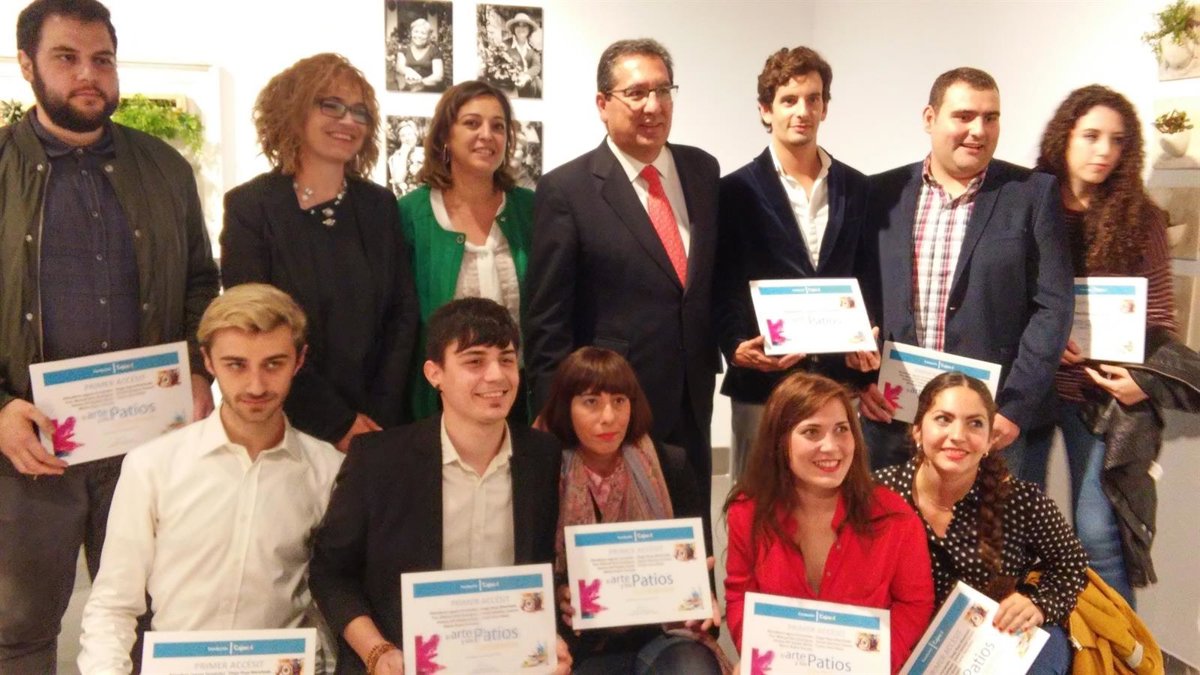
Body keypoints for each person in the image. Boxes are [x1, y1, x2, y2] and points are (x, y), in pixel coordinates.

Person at [0, 0, 219, 670]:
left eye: (102, 59)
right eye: (66, 58)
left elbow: (199, 283)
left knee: (156, 619)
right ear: (27, 65)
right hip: (27, 450)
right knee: (19, 629)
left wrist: (200, 373)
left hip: (145, 447)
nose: (87, 75)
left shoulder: (166, 168)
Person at [78, 284, 344, 674]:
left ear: (299, 360)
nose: (256, 385)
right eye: (236, 365)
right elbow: (114, 604)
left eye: (273, 364)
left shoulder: (328, 470)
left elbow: (332, 601)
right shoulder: (153, 465)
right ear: (208, 361)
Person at [309, 298, 571, 675]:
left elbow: (542, 568)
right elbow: (330, 572)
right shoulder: (379, 459)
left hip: (509, 660)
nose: (496, 376)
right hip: (404, 661)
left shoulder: (542, 456)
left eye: (506, 359)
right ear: (435, 374)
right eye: (475, 361)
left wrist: (550, 637)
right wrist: (377, 652)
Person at [525, 38, 721, 531]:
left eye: (663, 90)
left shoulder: (702, 170)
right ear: (602, 103)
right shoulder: (566, 189)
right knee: (620, 546)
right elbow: (547, 318)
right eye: (636, 93)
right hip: (611, 407)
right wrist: (555, 415)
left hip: (693, 397)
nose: (653, 106)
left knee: (691, 533)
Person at [857, 67, 1073, 471]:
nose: (979, 130)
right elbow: (859, 293)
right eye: (964, 116)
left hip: (988, 422)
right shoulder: (879, 193)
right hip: (892, 412)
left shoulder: (1032, 194)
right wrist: (861, 383)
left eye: (991, 118)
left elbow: (1053, 307)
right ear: (929, 118)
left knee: (989, 517)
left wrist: (1014, 407)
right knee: (885, 514)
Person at [1026, 85, 1189, 604]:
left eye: (1117, 141)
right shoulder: (1024, 202)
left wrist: (1143, 381)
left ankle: (1120, 647)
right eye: (1091, 136)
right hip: (1026, 388)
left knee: (1099, 535)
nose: (1103, 151)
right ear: (1064, 136)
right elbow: (1002, 294)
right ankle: (1035, 640)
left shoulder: (1142, 218)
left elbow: (1159, 317)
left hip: (1098, 397)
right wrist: (1045, 337)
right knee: (1014, 533)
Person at [221, 53, 418, 451]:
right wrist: (336, 422)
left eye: (360, 112)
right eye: (332, 105)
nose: (349, 120)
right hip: (285, 421)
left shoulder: (379, 205)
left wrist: (376, 417)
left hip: (377, 424)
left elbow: (402, 315)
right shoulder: (252, 207)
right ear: (293, 111)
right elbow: (254, 326)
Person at [713, 46, 872, 482]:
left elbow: (868, 277)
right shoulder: (733, 192)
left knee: (836, 502)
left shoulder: (858, 188)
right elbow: (721, 282)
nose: (803, 111)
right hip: (763, 384)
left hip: (838, 386)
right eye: (789, 100)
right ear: (766, 110)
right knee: (755, 503)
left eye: (813, 99)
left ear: (825, 107)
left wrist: (870, 338)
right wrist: (734, 345)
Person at [875, 372, 1090, 674]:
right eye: (943, 419)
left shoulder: (1019, 500)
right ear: (917, 431)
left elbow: (1072, 563)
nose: (958, 435)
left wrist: (1038, 604)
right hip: (902, 642)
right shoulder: (878, 494)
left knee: (1046, 648)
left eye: (975, 423)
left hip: (990, 642)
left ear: (990, 440)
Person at [723, 372, 934, 674]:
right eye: (812, 432)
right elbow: (740, 595)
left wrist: (876, 663)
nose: (832, 447)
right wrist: (757, 655)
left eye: (841, 430)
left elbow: (914, 604)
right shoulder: (747, 511)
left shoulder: (895, 517)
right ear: (779, 440)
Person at [539, 347, 725, 674]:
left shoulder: (670, 464)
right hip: (579, 639)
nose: (609, 417)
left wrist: (701, 593)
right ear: (566, 407)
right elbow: (533, 566)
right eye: (591, 402)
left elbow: (699, 566)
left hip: (663, 632)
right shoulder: (544, 471)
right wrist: (559, 595)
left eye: (619, 401)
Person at [399, 80, 534, 422]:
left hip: (520, 401)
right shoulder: (410, 215)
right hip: (437, 404)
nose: (487, 135)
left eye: (498, 126)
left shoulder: (531, 210)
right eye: (472, 123)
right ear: (445, 134)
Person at [394, 18, 444, 92]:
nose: (419, 36)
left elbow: (438, 76)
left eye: (423, 33)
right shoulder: (404, 50)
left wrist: (420, 83)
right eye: (416, 32)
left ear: (428, 36)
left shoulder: (435, 51)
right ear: (411, 33)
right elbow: (399, 67)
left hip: (430, 91)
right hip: (408, 91)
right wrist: (407, 70)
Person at [505, 12, 542, 98]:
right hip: (510, 85)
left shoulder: (533, 47)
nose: (521, 28)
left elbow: (536, 66)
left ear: (529, 29)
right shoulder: (505, 45)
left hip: (529, 83)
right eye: (518, 25)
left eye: (524, 25)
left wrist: (526, 76)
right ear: (513, 28)